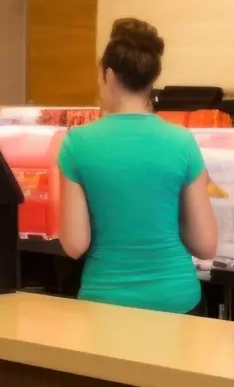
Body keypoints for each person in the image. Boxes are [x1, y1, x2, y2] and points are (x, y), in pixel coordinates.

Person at [57, 18, 218, 314]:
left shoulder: (76, 144)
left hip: (106, 301)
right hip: (178, 301)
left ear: (109, 75)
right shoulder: (182, 142)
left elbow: (74, 244)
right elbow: (206, 245)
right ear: (150, 80)